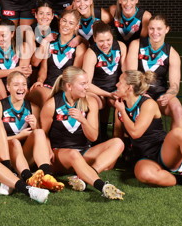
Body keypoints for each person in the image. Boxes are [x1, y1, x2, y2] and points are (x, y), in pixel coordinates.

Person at [113, 70, 182, 199]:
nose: (116, 85)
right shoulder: (120, 106)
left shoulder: (147, 104)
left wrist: (122, 111)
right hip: (143, 156)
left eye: (119, 82)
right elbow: (118, 134)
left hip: (162, 151)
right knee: (144, 175)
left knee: (179, 133)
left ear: (129, 87)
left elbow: (135, 133)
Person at [40, 66, 125, 199]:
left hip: (83, 153)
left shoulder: (90, 102)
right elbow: (42, 134)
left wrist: (83, 120)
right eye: (83, 84)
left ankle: (84, 177)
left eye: (87, 83)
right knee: (73, 154)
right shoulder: (52, 104)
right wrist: (47, 150)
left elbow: (93, 136)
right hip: (60, 156)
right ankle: (101, 186)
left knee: (118, 143)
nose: (87, 87)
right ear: (69, 86)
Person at [0, 72, 64, 194]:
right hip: (2, 157)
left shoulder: (33, 108)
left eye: (24, 84)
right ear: (8, 88)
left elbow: (41, 138)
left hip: (23, 158)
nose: (21, 88)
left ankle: (47, 176)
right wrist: (19, 136)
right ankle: (13, 174)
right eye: (16, 85)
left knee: (40, 132)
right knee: (15, 142)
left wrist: (35, 126)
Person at [126, 14, 182, 129]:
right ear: (147, 29)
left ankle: (176, 143)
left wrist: (168, 95)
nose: (155, 32)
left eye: (159, 29)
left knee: (177, 108)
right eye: (152, 28)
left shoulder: (172, 54)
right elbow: (131, 76)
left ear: (166, 30)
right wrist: (140, 92)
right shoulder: (136, 45)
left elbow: (174, 85)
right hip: (138, 92)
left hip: (159, 94)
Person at [29, 9, 86, 108]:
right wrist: (40, 81)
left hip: (67, 88)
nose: (66, 25)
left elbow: (75, 75)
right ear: (59, 21)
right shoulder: (50, 41)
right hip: (48, 86)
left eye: (71, 23)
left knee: (57, 101)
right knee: (40, 94)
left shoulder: (79, 47)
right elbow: (43, 69)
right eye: (64, 20)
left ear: (76, 26)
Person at [82, 21, 127, 142]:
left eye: (108, 40)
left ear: (112, 37)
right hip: (97, 91)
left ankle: (120, 141)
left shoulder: (121, 47)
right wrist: (107, 94)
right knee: (93, 104)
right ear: (95, 39)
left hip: (115, 89)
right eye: (101, 41)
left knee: (121, 103)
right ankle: (97, 140)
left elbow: (126, 74)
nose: (105, 44)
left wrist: (120, 91)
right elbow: (86, 84)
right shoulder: (91, 54)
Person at [0, 20, 32, 111]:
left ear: (12, 34)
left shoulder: (23, 47)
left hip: (19, 86)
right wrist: (6, 100)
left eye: (4, 35)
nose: (0, 39)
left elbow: (21, 75)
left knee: (28, 106)